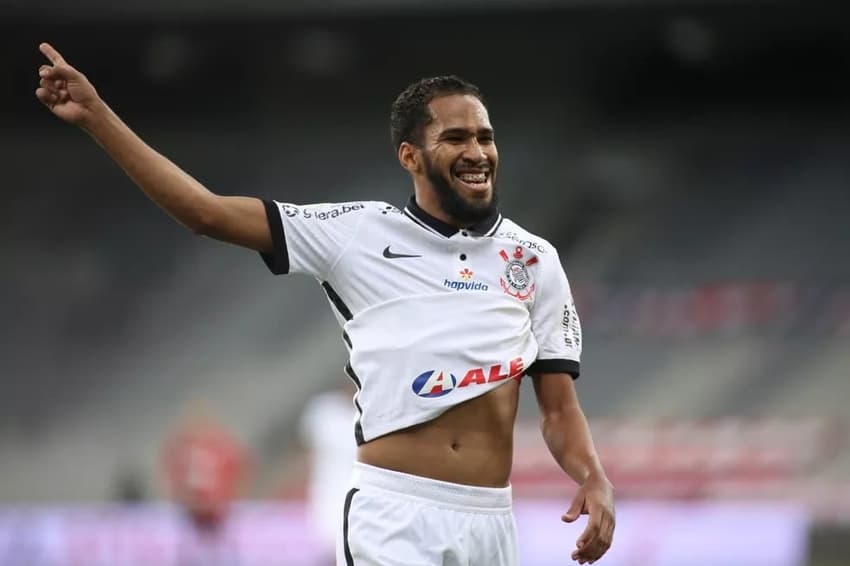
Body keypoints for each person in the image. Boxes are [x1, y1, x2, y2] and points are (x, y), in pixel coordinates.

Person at [35, 42, 615, 566]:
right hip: (396, 515)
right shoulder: (356, 232)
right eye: (456, 138)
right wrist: (98, 118)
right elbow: (204, 212)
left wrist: (592, 476)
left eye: (485, 137)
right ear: (410, 156)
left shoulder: (534, 259)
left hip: (491, 519)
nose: (477, 152)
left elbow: (559, 410)